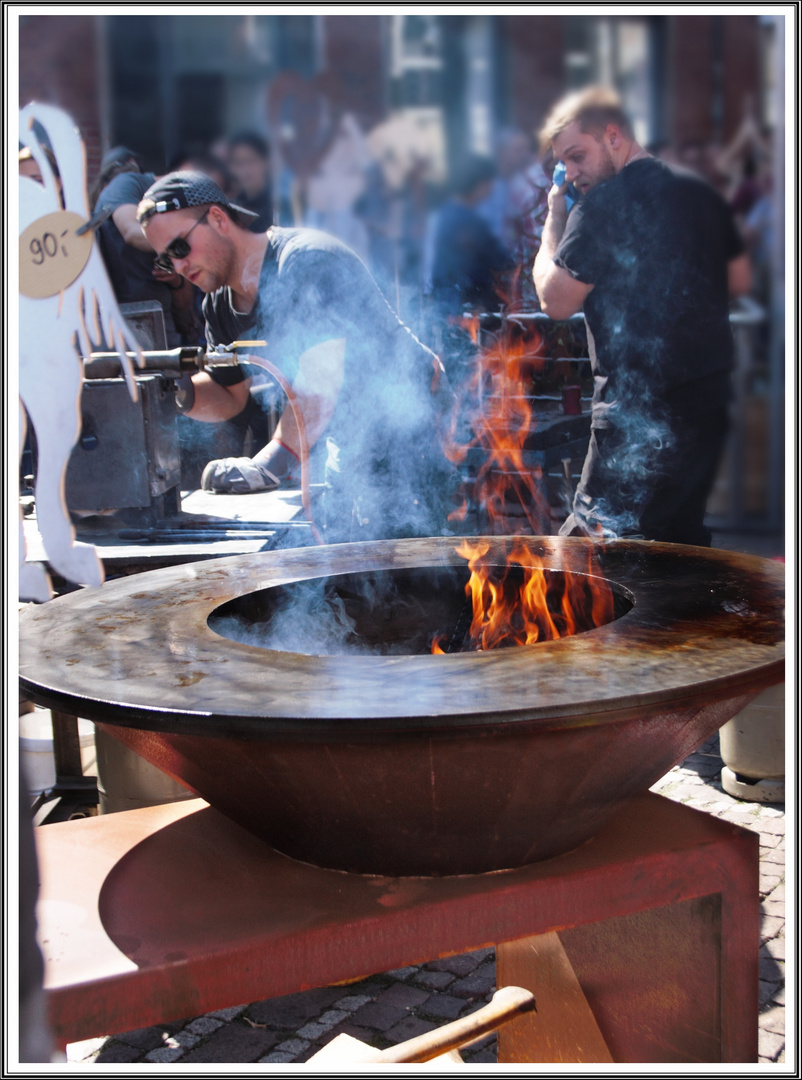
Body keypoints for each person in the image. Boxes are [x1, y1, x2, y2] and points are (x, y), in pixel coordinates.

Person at [136, 171, 455, 542]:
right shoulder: (218, 306)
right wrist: (174, 389)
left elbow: (319, 384)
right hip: (350, 440)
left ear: (218, 219)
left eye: (179, 248)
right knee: (362, 569)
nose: (177, 267)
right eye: (165, 261)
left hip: (415, 430)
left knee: (420, 575)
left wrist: (271, 462)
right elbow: (229, 397)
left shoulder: (306, 261)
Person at [534, 86, 752, 546]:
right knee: (679, 550)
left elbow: (555, 302)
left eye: (578, 156)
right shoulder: (698, 193)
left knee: (593, 551)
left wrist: (553, 222)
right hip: (706, 405)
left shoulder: (600, 206)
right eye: (563, 164)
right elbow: (738, 280)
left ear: (614, 135)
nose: (570, 175)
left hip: (634, 415)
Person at [228, 132, 274, 232]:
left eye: (251, 161)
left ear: (266, 162)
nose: (246, 170)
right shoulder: (231, 209)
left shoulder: (279, 205)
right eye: (238, 163)